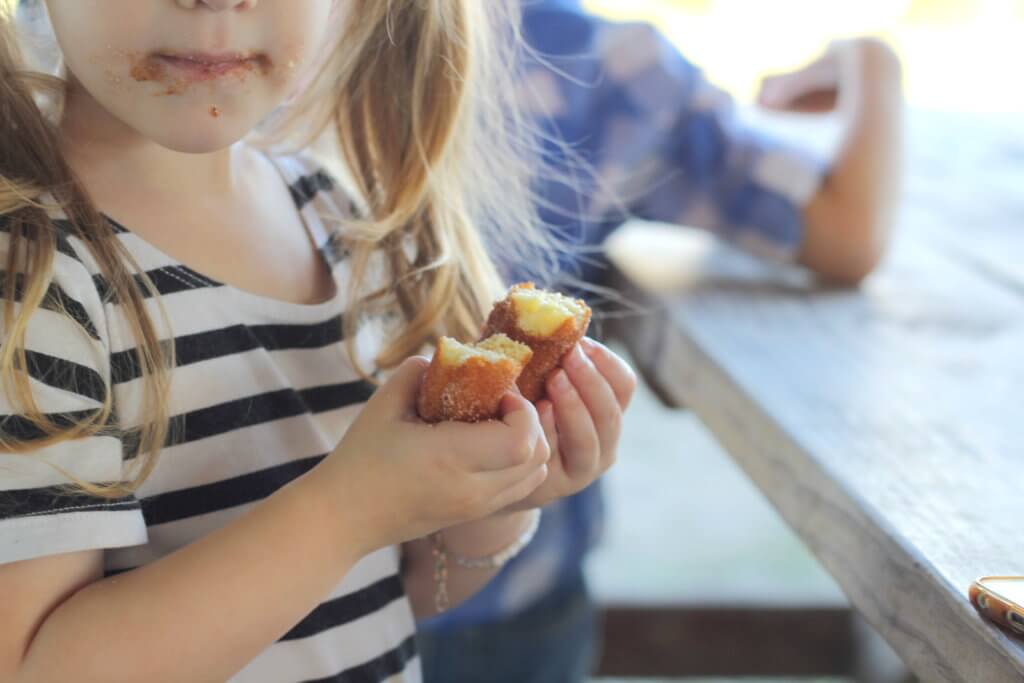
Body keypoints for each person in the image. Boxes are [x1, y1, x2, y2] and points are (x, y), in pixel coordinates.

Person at [0, 1, 637, 682]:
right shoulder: (30, 278)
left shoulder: (336, 218)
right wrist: (348, 509)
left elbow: (379, 596)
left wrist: (493, 508)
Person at [416, 1, 904, 682]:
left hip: (271, 592)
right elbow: (848, 234)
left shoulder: (256, 42)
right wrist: (870, 60)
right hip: (507, 590)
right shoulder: (608, 66)